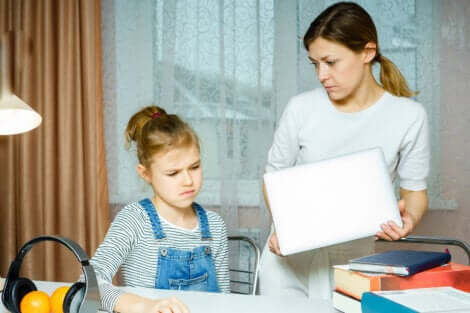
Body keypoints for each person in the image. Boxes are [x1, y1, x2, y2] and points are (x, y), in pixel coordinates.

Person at [258, 1, 429, 300]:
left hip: (353, 264)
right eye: (315, 64)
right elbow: (272, 177)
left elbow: (414, 191)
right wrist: (285, 230)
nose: (321, 74)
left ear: (367, 52)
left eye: (331, 62)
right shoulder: (301, 108)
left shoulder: (409, 116)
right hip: (288, 259)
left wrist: (409, 219)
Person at [89, 106, 230, 313]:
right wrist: (143, 306)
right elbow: (88, 285)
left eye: (194, 167)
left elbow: (225, 302)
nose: (188, 181)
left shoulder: (215, 226)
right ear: (145, 173)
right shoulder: (134, 220)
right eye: (173, 173)